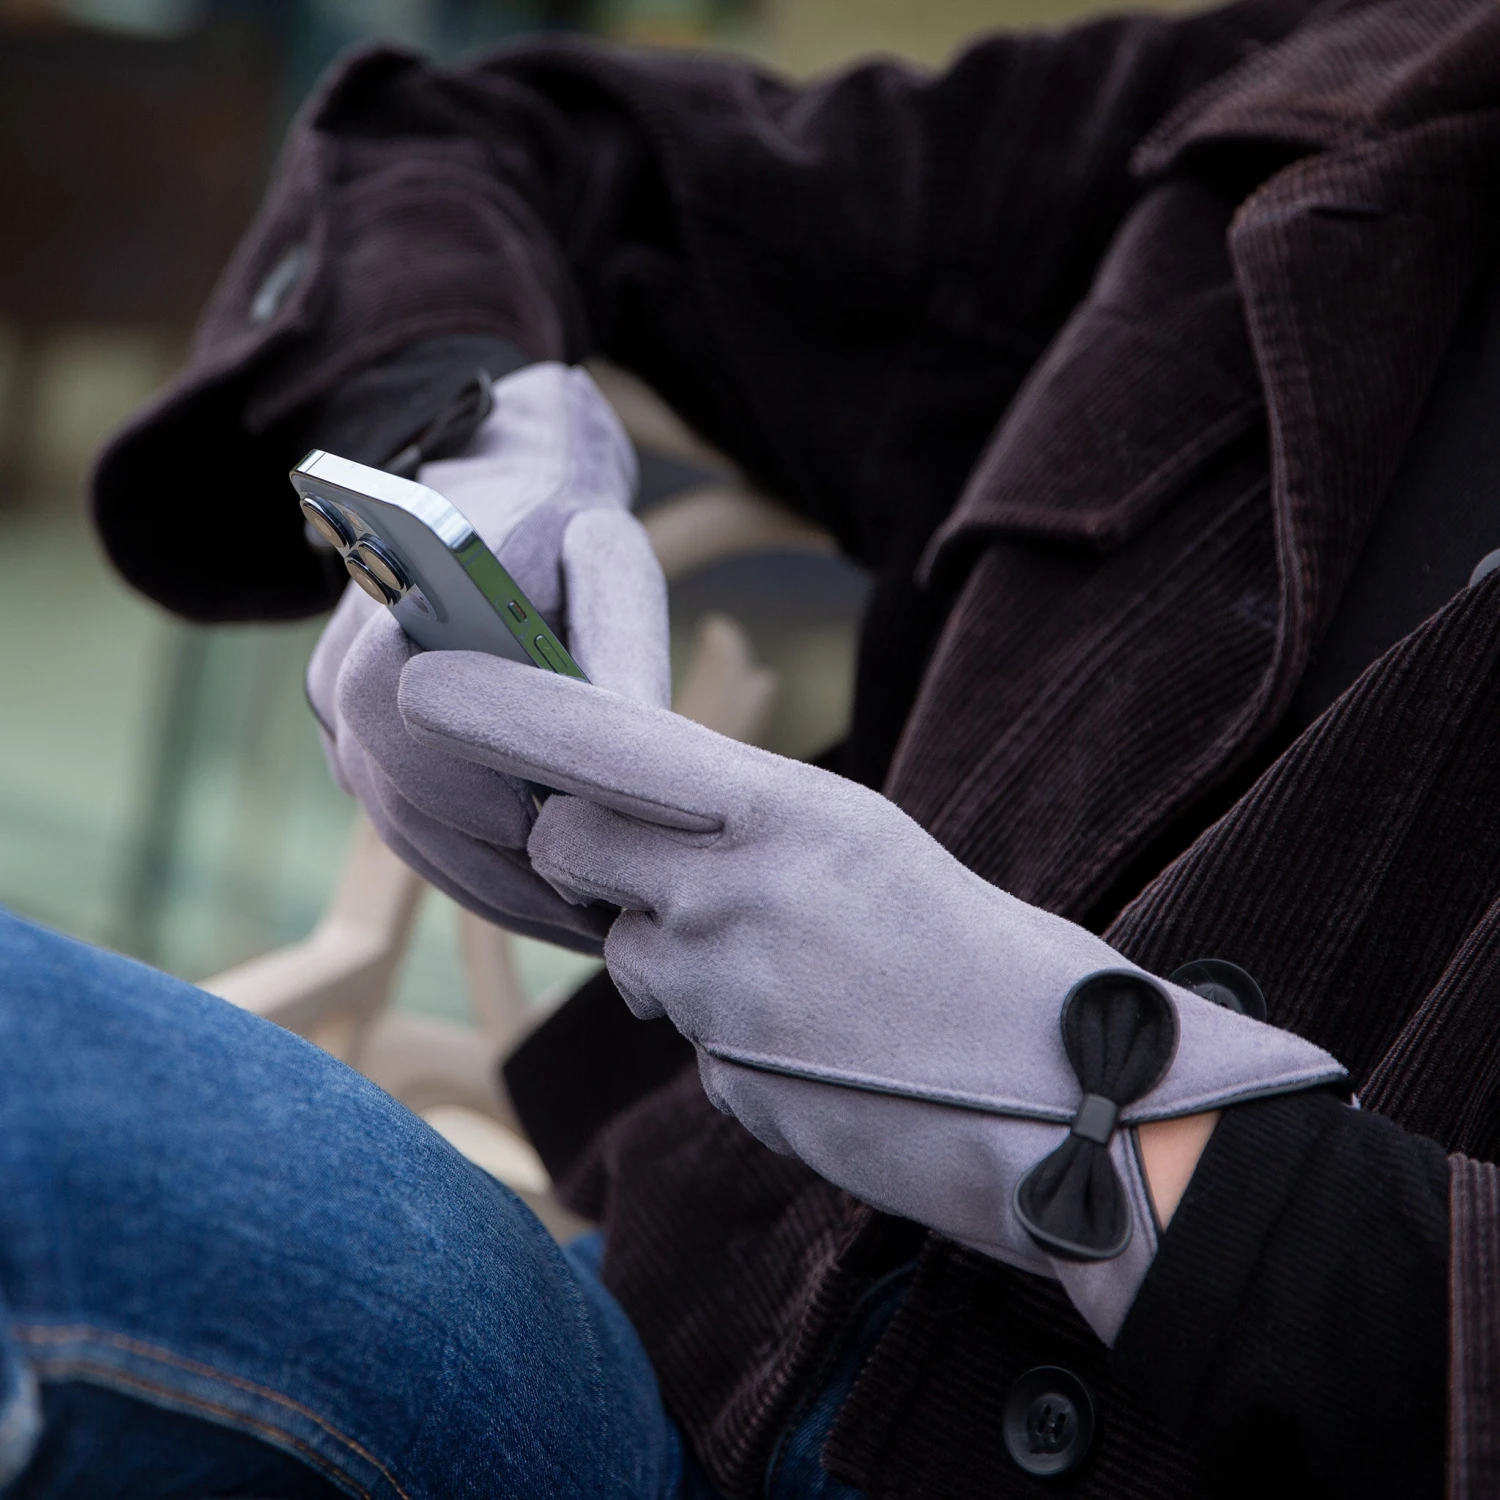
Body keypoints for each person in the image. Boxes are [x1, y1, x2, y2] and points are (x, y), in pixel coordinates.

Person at [5, 0, 1494, 1492]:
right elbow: (470, 141)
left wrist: (1118, 1133)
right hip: (635, 1388)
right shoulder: (1327, 106)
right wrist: (471, 436)